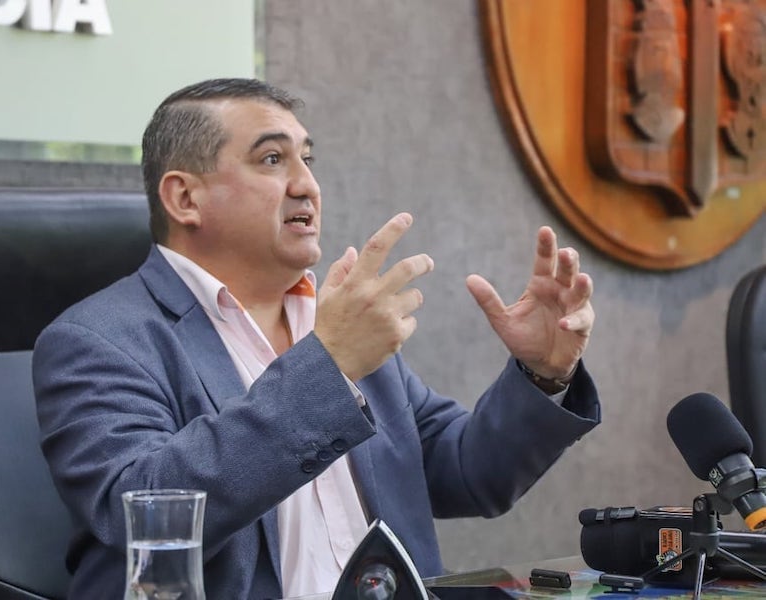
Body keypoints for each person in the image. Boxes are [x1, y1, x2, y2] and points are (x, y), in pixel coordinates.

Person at [33, 77, 600, 600]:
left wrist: (541, 373)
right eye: (272, 159)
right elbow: (142, 512)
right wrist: (327, 367)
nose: (306, 184)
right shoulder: (97, 341)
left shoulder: (332, 320)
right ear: (185, 198)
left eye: (307, 159)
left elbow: (468, 474)